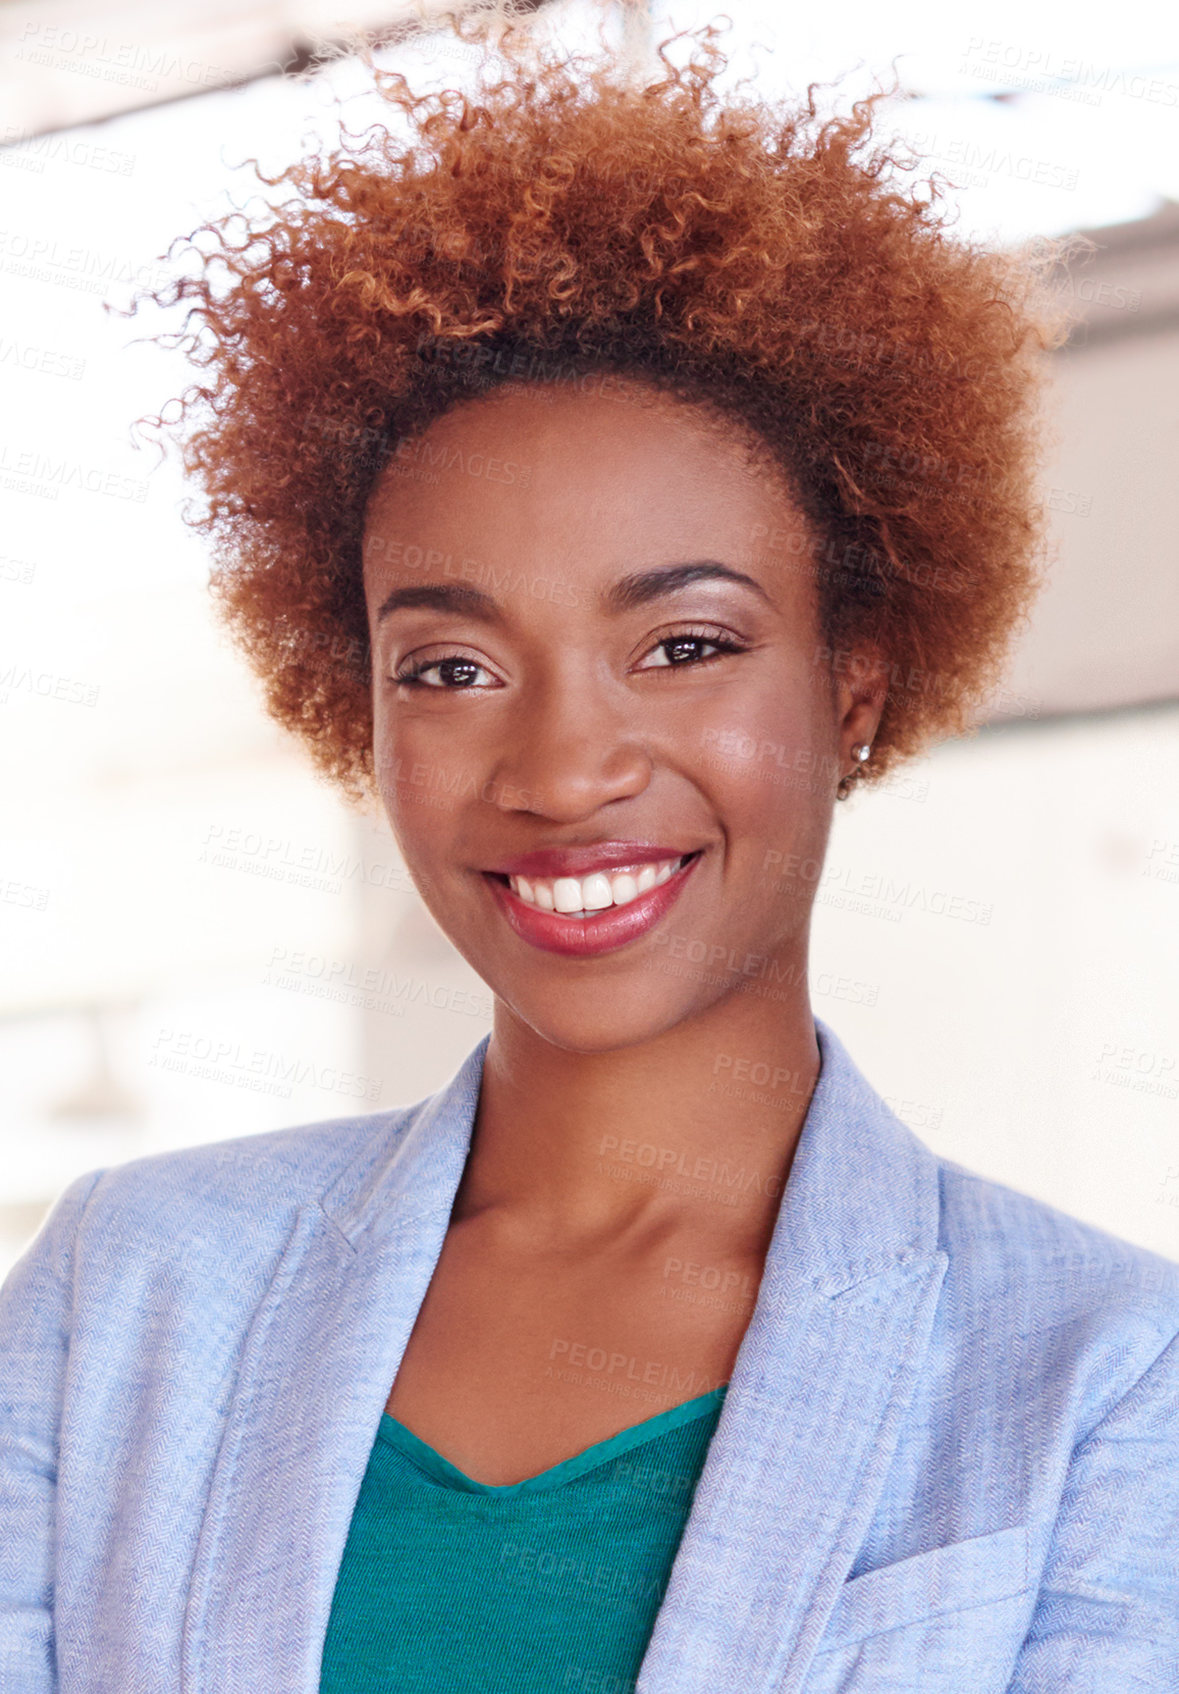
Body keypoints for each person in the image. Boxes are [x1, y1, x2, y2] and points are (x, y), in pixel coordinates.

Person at [3, 5, 1177, 1691]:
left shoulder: (1104, 1378)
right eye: (454, 667)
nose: (561, 768)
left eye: (686, 644)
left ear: (856, 679)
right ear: (358, 700)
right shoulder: (126, 1297)